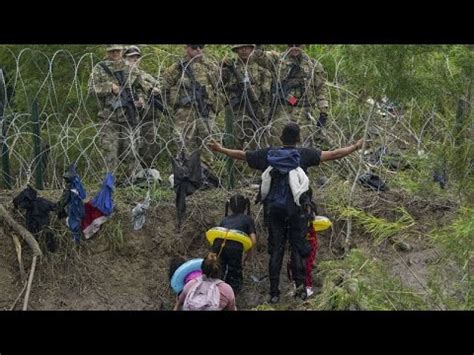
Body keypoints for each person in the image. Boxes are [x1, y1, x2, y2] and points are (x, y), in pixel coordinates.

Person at [209, 122, 363, 303]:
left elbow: (243, 155)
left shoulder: (268, 154)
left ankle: (274, 293)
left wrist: (221, 149)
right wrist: (355, 146)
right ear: (298, 139)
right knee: (297, 247)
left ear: (281, 138)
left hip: (274, 211)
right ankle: (301, 289)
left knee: (276, 251)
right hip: (298, 211)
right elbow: (335, 154)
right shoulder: (304, 154)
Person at [88, 45, 146, 185]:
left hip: (129, 116)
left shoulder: (131, 68)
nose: (115, 53)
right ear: (107, 52)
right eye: (111, 51)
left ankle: (132, 182)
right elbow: (91, 89)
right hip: (109, 117)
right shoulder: (100, 68)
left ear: (122, 51)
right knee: (110, 152)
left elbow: (141, 87)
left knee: (131, 150)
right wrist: (109, 87)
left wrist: (141, 99)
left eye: (117, 51)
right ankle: (108, 184)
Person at [253, 45, 329, 147]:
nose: (294, 48)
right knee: (278, 144)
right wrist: (258, 47)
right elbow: (259, 57)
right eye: (291, 45)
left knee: (303, 146)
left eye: (297, 45)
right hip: (281, 111)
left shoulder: (313, 65)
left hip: (303, 112)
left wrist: (323, 111)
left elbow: (320, 89)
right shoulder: (277, 60)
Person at [161, 45, 222, 171]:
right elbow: (164, 88)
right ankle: (186, 171)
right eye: (194, 47)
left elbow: (220, 88)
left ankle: (206, 172)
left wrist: (215, 105)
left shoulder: (210, 66)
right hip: (185, 112)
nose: (198, 50)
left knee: (207, 140)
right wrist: (175, 104)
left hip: (205, 109)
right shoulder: (177, 68)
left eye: (201, 47)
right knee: (184, 141)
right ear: (187, 48)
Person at [221, 44, 272, 150]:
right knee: (236, 146)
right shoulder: (228, 69)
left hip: (256, 112)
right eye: (241, 48)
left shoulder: (262, 71)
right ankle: (237, 166)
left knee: (258, 146)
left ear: (252, 49)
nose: (244, 50)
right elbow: (220, 88)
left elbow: (267, 95)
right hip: (237, 114)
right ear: (236, 50)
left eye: (247, 47)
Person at [212, 194, 257, 295]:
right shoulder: (247, 219)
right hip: (234, 247)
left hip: (218, 245)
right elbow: (253, 240)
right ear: (245, 206)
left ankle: (215, 294)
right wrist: (249, 254)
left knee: (219, 270)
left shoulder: (225, 220)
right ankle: (231, 297)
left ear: (230, 208)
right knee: (234, 274)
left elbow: (219, 233)